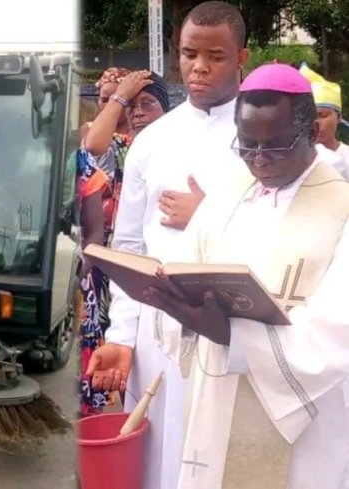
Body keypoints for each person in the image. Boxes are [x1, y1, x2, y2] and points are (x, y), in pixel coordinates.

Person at [147, 63, 349, 489]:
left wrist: (233, 336)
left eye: (274, 147)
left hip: (303, 422)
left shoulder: (342, 209)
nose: (257, 159)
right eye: (246, 145)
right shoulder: (229, 192)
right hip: (215, 399)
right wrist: (175, 306)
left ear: (313, 132)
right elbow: (188, 262)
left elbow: (337, 330)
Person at [86, 2, 251, 488]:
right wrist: (122, 335)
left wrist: (208, 215)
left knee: (222, 459)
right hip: (157, 331)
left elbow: (284, 229)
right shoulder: (152, 139)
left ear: (241, 57)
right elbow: (129, 246)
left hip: (232, 327)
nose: (199, 68)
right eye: (189, 54)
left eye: (215, 57)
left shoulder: (263, 135)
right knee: (159, 459)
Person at [78, 71, 172, 416]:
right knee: (115, 336)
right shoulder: (118, 145)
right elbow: (92, 145)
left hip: (156, 268)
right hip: (108, 259)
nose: (138, 112)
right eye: (130, 105)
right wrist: (120, 98)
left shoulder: (178, 148)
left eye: (148, 103)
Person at [299, 62, 349, 179]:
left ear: (339, 116)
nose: (315, 123)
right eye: (308, 116)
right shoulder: (295, 160)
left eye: (322, 115)